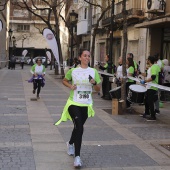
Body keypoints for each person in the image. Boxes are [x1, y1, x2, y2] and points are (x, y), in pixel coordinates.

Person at [55, 49, 101, 168]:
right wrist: (71, 86)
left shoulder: (93, 71)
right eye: (85, 56)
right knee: (79, 127)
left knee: (77, 127)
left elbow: (98, 89)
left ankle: (70, 143)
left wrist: (94, 82)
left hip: (86, 104)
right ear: (80, 58)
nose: (87, 58)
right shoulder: (73, 71)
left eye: (88, 56)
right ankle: (77, 157)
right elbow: (64, 81)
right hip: (73, 103)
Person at [140, 56, 159, 121]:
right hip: (149, 86)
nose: (146, 61)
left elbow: (153, 77)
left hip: (152, 87)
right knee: (146, 100)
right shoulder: (150, 67)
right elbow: (147, 75)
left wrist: (145, 81)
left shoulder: (154, 67)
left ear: (149, 60)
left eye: (147, 60)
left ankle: (153, 116)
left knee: (150, 101)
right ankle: (147, 112)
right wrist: (140, 73)